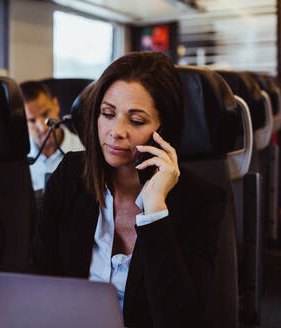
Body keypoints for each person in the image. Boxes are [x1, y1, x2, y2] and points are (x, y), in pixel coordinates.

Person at [29, 52, 226, 328]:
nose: (115, 131)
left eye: (136, 121)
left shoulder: (200, 200)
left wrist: (155, 209)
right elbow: (40, 278)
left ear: (163, 129)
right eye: (107, 114)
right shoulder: (70, 175)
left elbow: (180, 319)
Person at [20, 81, 84, 191]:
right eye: (32, 120)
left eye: (45, 114)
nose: (43, 128)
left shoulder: (83, 150)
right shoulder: (19, 159)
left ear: (56, 105)